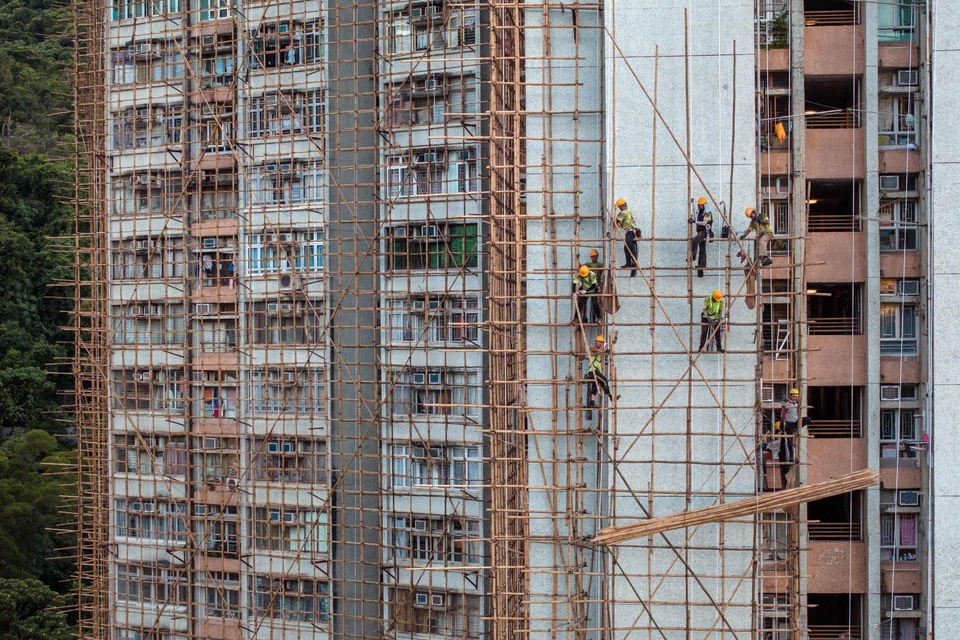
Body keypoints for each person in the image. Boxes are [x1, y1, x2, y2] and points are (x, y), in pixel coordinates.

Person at [585, 335, 615, 417]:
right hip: (593, 371)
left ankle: (592, 402)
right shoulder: (592, 347)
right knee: (604, 380)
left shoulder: (600, 350)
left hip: (597, 372)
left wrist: (606, 350)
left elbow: (603, 352)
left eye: (601, 342)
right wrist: (604, 350)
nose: (600, 343)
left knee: (595, 387)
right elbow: (595, 350)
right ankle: (610, 396)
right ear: (596, 341)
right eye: (599, 342)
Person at [689, 196, 713, 278]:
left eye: (701, 205)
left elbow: (704, 223)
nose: (699, 206)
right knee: (702, 250)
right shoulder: (700, 212)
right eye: (699, 205)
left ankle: (692, 257)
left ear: (704, 205)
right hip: (700, 232)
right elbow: (697, 218)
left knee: (694, 241)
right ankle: (700, 270)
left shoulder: (707, 212)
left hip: (705, 232)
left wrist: (694, 222)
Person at [615, 198, 639, 277]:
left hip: (631, 231)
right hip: (635, 231)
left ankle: (634, 262)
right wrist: (621, 225)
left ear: (621, 206)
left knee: (630, 246)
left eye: (619, 207)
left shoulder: (623, 213)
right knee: (626, 248)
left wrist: (616, 221)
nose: (619, 209)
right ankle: (629, 263)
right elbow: (623, 224)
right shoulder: (628, 212)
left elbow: (617, 221)